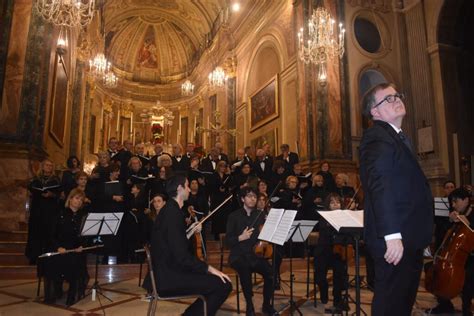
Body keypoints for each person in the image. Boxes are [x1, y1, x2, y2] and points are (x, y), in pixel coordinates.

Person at [359, 82, 434, 316]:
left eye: (397, 95)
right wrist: (392, 235)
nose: (397, 99)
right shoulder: (377, 136)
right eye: (388, 99)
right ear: (375, 112)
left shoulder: (397, 137)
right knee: (391, 305)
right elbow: (381, 186)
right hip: (394, 239)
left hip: (407, 236)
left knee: (402, 304)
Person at [151, 175, 232, 316]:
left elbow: (174, 243)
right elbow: (181, 256)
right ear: (179, 188)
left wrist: (189, 232)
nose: (189, 189)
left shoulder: (171, 210)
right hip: (169, 277)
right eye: (187, 186)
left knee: (217, 282)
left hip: (169, 270)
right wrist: (209, 269)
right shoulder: (173, 214)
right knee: (223, 285)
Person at [225, 187, 277, 316]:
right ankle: (249, 304)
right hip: (238, 255)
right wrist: (240, 237)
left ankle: (266, 305)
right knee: (245, 270)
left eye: (255, 196)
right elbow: (227, 241)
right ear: (243, 199)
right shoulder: (233, 216)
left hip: (256, 255)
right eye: (249, 196)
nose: (253, 198)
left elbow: (264, 236)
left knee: (271, 273)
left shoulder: (259, 215)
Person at [426, 187, 473, 316]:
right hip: (456, 256)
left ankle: (466, 309)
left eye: (455, 201)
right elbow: (442, 237)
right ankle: (445, 304)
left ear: (465, 200)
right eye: (452, 202)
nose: (453, 205)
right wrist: (450, 221)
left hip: (470, 256)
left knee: (468, 275)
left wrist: (470, 225)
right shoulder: (454, 215)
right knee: (431, 268)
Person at [43, 188, 89, 306]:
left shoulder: (83, 216)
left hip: (75, 250)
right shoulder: (60, 214)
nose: (79, 201)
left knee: (75, 263)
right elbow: (51, 235)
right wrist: (58, 247)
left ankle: (71, 296)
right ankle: (56, 292)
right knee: (54, 263)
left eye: (81, 200)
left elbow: (85, 237)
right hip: (60, 249)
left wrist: (82, 246)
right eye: (77, 198)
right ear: (70, 199)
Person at [426, 180, 458, 314]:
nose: (449, 189)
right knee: (434, 270)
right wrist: (449, 220)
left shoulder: (459, 205)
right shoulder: (441, 205)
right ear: (444, 190)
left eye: (452, 187)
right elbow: (438, 224)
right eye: (447, 187)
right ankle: (441, 300)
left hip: (455, 246)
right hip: (442, 242)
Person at [314, 193, 349, 312]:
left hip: (338, 250)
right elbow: (324, 235)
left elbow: (347, 236)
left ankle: (337, 300)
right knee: (319, 276)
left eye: (338, 202)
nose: (335, 205)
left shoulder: (345, 217)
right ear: (328, 205)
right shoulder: (324, 217)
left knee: (339, 274)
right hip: (324, 250)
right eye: (332, 202)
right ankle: (324, 290)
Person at [25, 159, 62, 264]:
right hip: (37, 210)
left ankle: (47, 256)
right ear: (42, 166)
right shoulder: (35, 179)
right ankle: (34, 256)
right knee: (35, 233)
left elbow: (59, 194)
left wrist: (52, 195)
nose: (48, 167)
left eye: (51, 165)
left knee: (49, 232)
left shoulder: (56, 180)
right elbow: (31, 190)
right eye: (47, 165)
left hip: (50, 211)